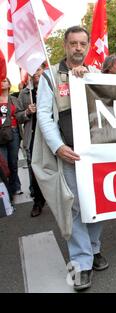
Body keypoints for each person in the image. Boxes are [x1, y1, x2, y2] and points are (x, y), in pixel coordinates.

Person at [36, 26, 108, 291]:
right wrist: (58, 147)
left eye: (82, 44)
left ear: (88, 46)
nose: (78, 48)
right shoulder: (50, 78)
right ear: (65, 46)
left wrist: (87, 78)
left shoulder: (96, 73)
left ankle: (94, 248)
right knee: (75, 207)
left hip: (95, 153)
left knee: (97, 204)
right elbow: (44, 115)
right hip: (69, 154)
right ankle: (81, 263)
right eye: (73, 44)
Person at [17, 64, 46, 217]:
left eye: (39, 69)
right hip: (33, 135)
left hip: (49, 135)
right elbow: (18, 116)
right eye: (33, 70)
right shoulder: (24, 94)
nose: (36, 73)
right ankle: (37, 201)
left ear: (44, 70)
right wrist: (27, 112)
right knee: (34, 169)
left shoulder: (50, 88)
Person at [0, 77, 23, 197]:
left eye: (4, 80)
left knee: (13, 163)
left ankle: (14, 188)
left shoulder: (13, 99)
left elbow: (20, 115)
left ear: (9, 84)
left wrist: (27, 113)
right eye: (1, 80)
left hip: (13, 133)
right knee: (3, 165)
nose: (2, 83)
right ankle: (7, 191)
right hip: (0, 135)